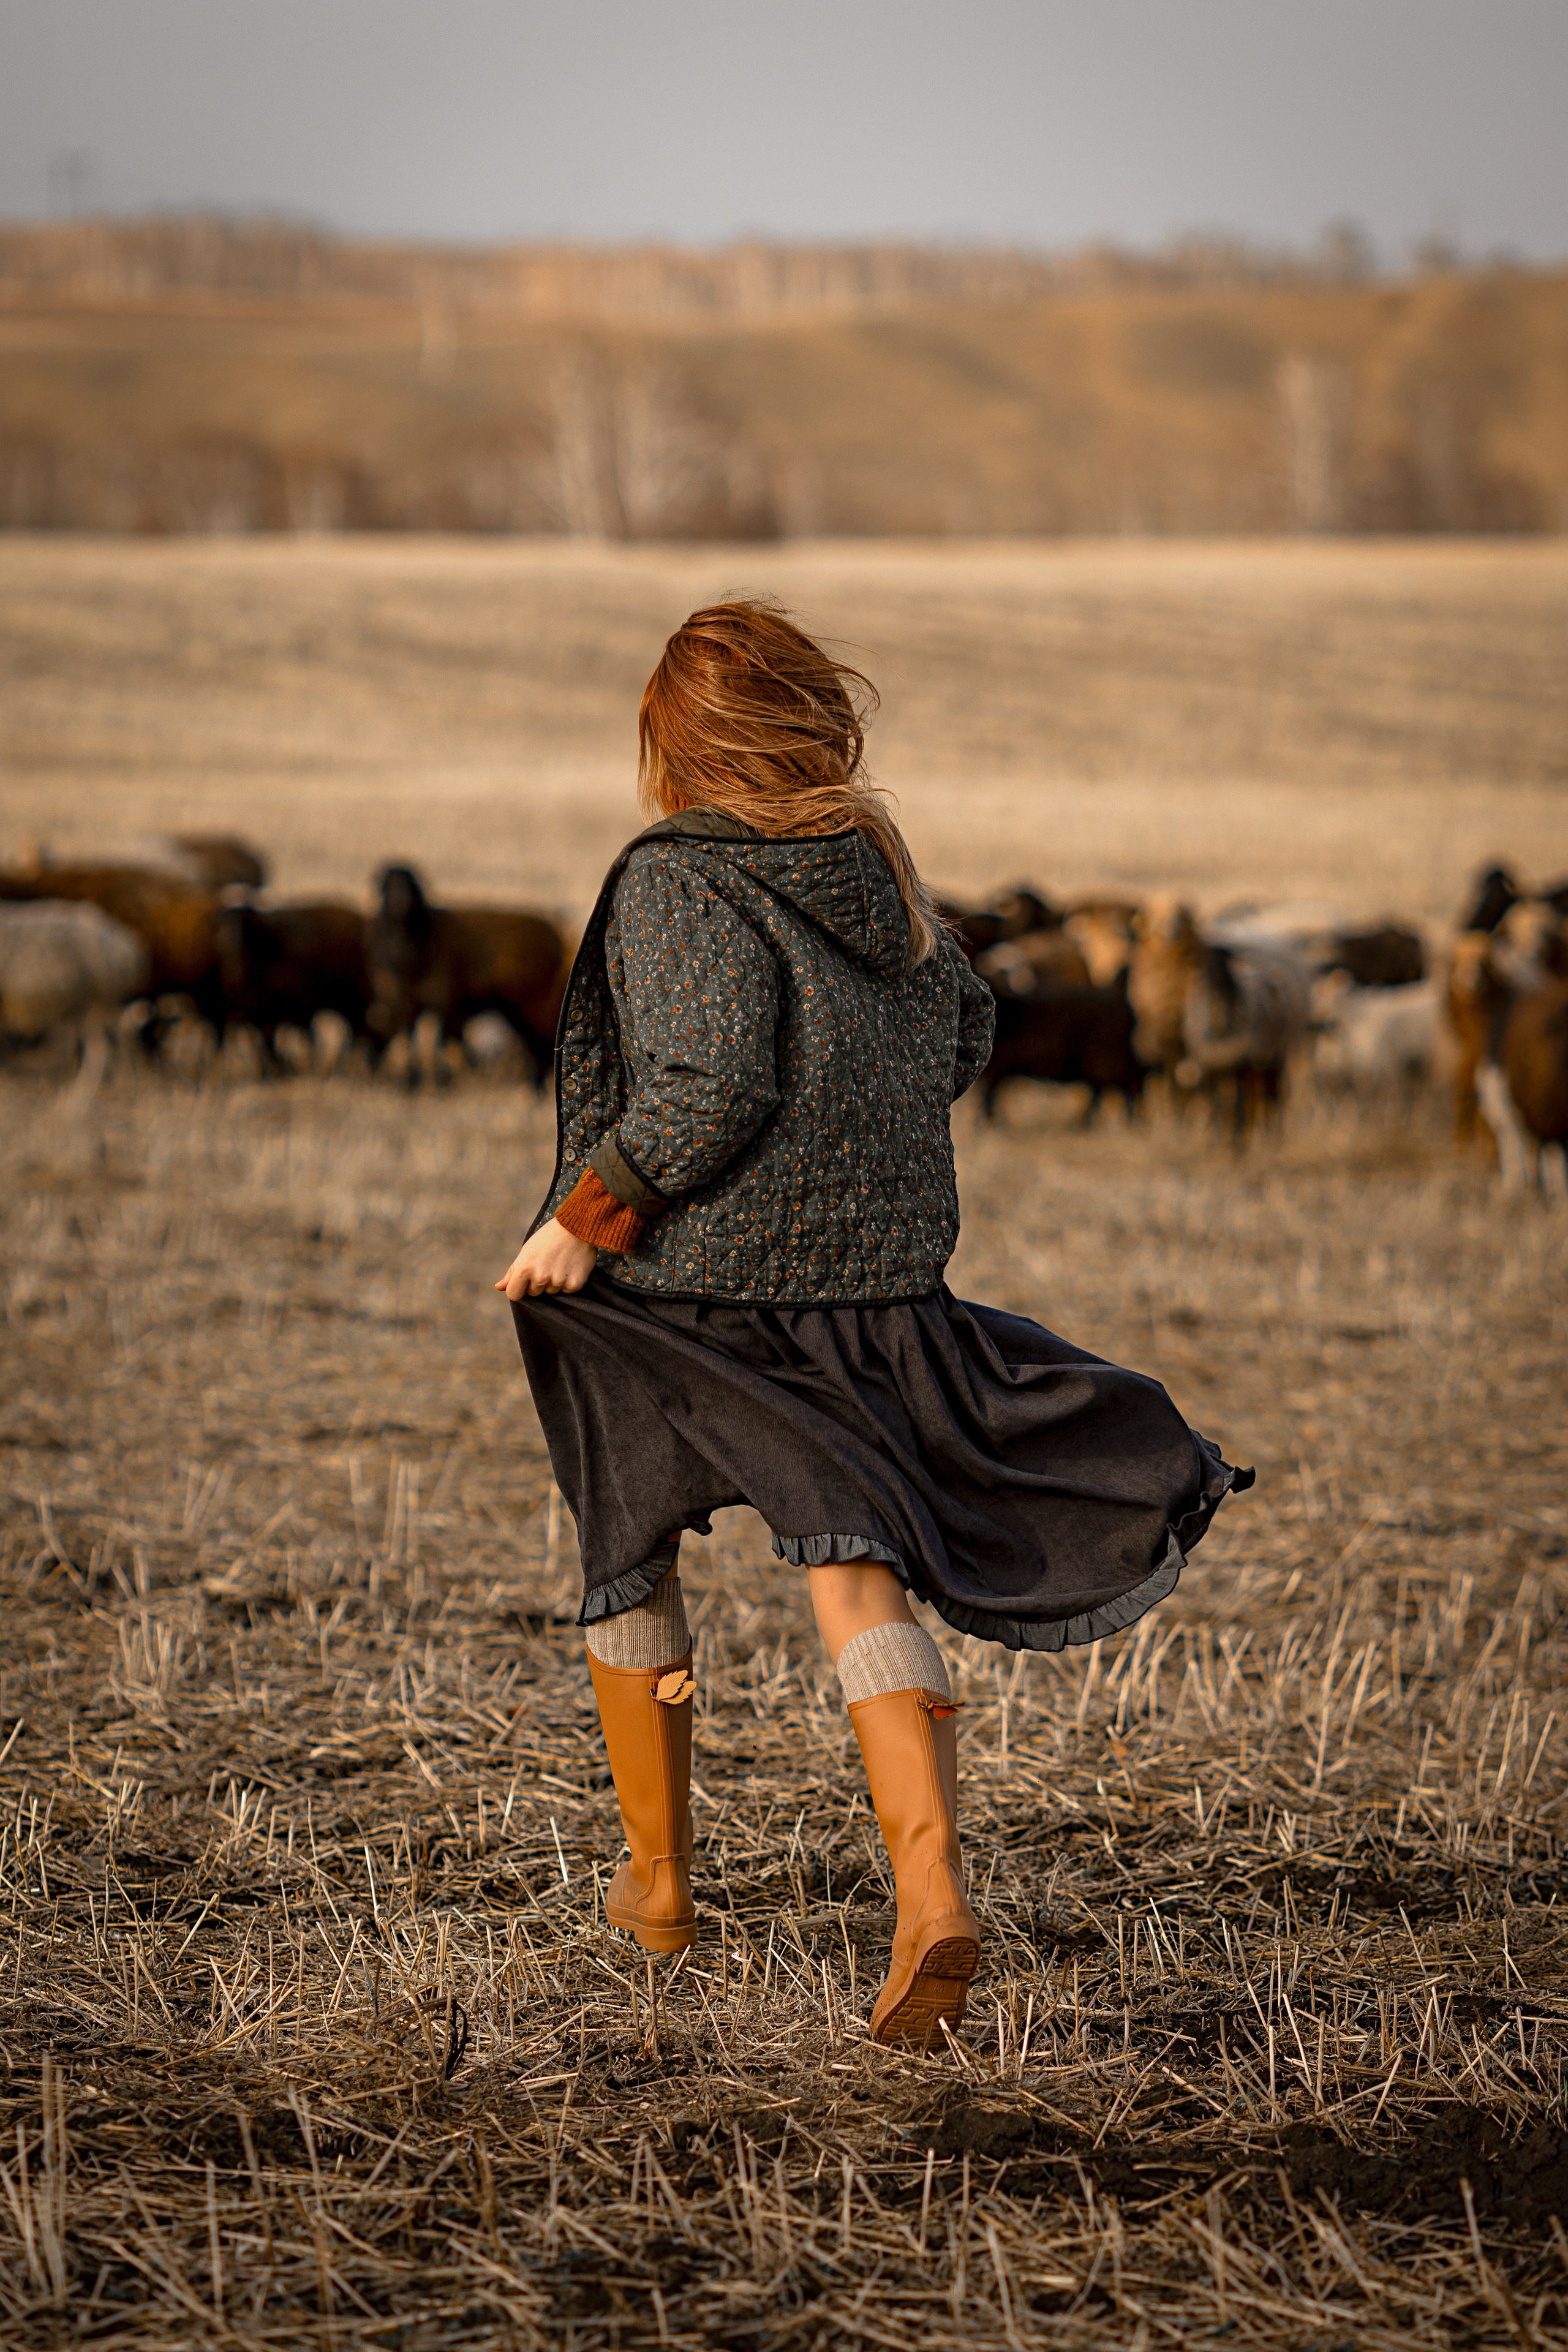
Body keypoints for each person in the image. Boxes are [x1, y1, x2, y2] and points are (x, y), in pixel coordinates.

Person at [499, 600, 1251, 2047]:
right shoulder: (872, 864)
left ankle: (656, 1887)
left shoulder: (675, 880)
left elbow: (708, 1083)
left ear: (679, 745)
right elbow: (962, 1030)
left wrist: (580, 1217)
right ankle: (932, 1904)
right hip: (872, 1291)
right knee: (853, 1570)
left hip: (689, 1291)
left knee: (625, 1522)